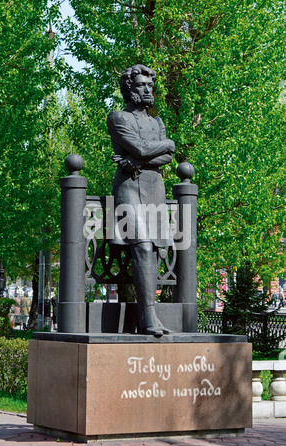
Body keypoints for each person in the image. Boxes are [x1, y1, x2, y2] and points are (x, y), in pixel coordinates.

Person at [107, 64, 175, 337]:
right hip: (129, 189)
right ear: (129, 89)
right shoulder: (118, 118)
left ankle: (149, 312)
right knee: (144, 247)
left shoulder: (157, 123)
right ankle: (149, 317)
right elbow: (143, 148)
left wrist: (135, 159)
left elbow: (167, 157)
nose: (148, 89)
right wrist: (164, 145)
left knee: (157, 248)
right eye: (142, 85)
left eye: (150, 85)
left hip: (155, 187)